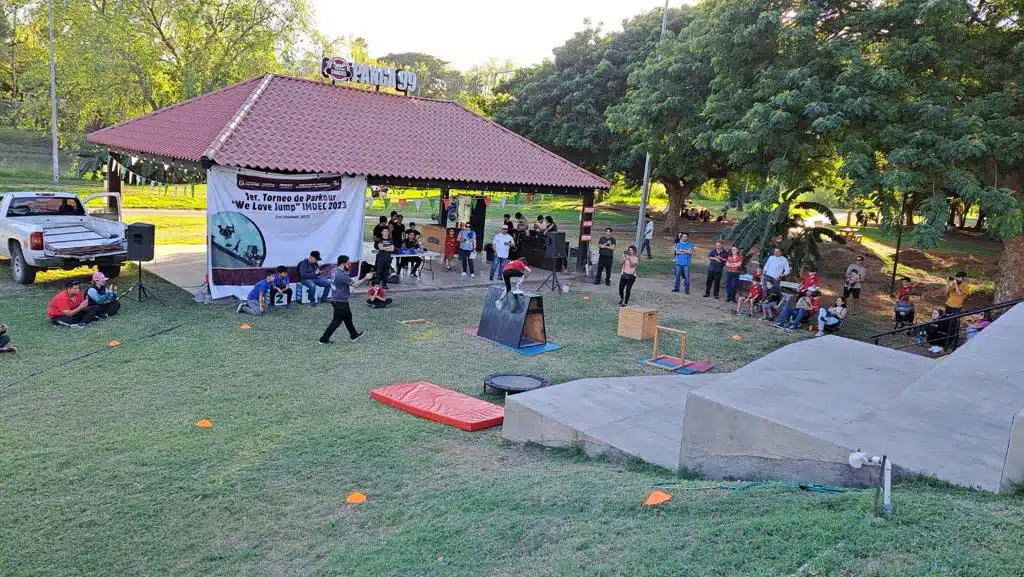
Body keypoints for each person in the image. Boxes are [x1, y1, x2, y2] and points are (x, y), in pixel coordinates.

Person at [319, 255, 373, 344]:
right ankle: (323, 339)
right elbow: (355, 285)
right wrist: (366, 278)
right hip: (340, 302)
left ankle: (354, 335)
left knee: (348, 318)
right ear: (343, 263)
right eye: (348, 264)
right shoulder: (342, 274)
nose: (349, 265)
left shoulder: (335, 271)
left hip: (338, 300)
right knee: (336, 321)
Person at [943, 271, 969, 350]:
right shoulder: (954, 283)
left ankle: (951, 343)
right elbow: (946, 292)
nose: (957, 279)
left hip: (956, 307)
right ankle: (945, 342)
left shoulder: (965, 285)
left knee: (953, 325)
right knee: (946, 323)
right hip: (948, 305)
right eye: (957, 277)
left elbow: (959, 293)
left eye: (959, 277)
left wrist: (956, 284)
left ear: (964, 278)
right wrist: (948, 283)